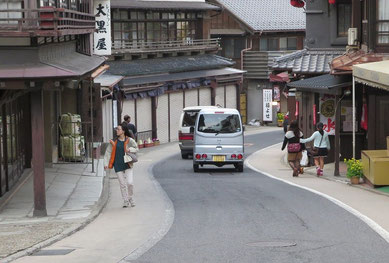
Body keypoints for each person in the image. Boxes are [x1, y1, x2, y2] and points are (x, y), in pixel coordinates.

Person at [104, 124, 139, 208]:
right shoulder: (113, 142)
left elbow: (136, 148)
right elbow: (108, 153)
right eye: (117, 129)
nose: (117, 131)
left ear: (123, 131)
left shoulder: (129, 140)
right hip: (118, 164)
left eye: (118, 129)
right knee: (122, 184)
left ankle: (130, 197)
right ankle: (125, 200)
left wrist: (130, 149)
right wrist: (105, 163)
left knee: (130, 183)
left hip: (127, 163)